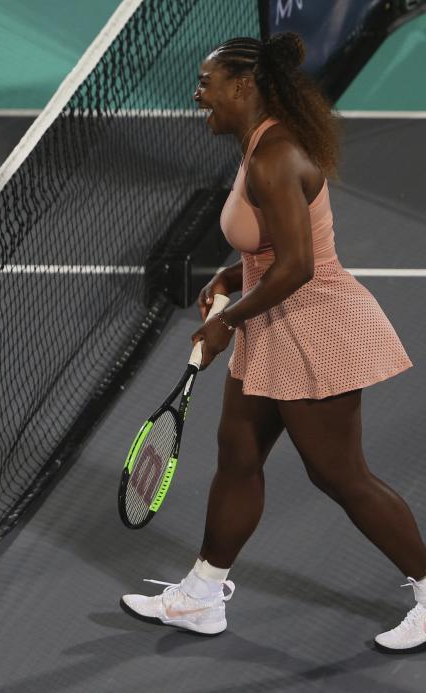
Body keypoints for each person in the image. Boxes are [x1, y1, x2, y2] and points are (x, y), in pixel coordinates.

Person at [120, 33, 426, 653]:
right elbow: (270, 253)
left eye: (207, 84)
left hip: (313, 327)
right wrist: (233, 277)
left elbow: (298, 267)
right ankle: (203, 595)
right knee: (237, 455)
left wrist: (225, 321)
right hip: (273, 322)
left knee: (339, 475)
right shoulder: (259, 144)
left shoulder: (274, 156)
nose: (198, 94)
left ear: (241, 86)